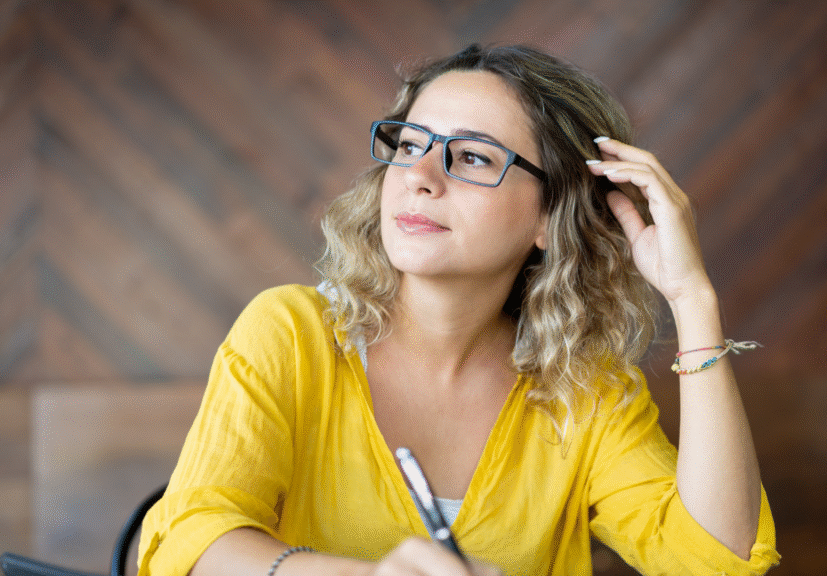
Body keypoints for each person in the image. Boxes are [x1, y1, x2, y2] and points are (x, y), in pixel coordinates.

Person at [138, 44, 781, 576]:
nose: (421, 175)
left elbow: (719, 562)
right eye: (411, 144)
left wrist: (693, 300)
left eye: (471, 157)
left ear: (550, 218)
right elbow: (188, 539)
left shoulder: (587, 394)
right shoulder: (291, 332)